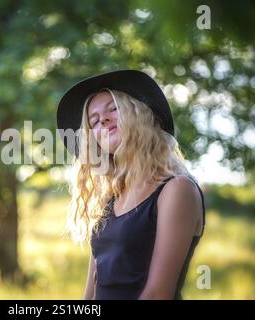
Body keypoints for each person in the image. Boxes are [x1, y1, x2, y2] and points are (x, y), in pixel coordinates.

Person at [56, 70, 206, 300]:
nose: (103, 120)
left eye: (113, 109)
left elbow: (158, 294)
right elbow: (91, 294)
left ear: (141, 114)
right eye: (93, 121)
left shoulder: (177, 190)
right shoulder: (110, 199)